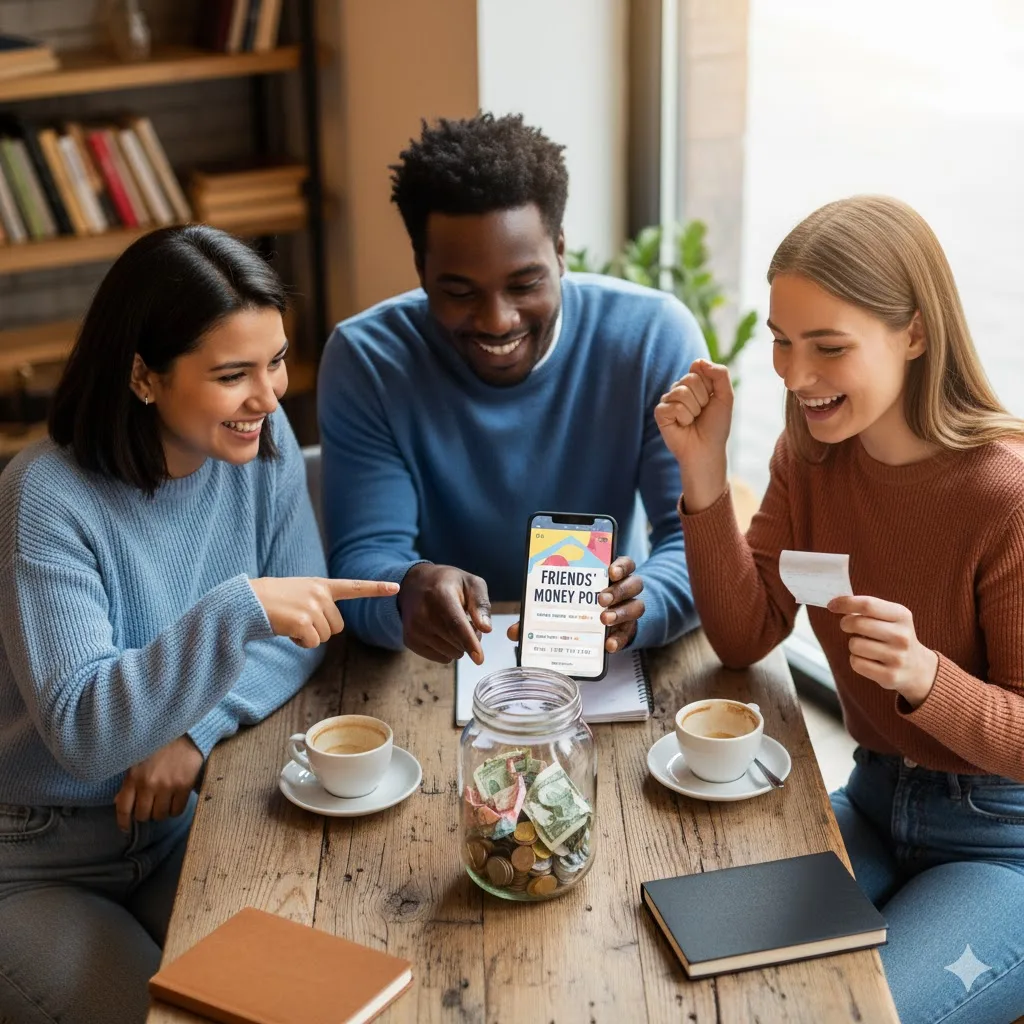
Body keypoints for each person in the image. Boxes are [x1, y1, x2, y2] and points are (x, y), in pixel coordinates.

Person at [0, 225, 396, 1024]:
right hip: (35, 858)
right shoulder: (44, 496)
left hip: (183, 826)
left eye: (276, 359)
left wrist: (194, 730)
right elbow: (85, 733)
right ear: (144, 374)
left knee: (321, 983)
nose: (269, 395)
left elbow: (304, 631)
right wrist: (238, 609)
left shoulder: (261, 439)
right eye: (232, 374)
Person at [655, 195, 1024, 1024]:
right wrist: (704, 476)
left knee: (839, 1014)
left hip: (1006, 843)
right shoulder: (810, 458)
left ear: (915, 334)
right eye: (783, 342)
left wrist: (931, 678)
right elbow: (747, 634)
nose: (795, 375)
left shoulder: (1008, 498)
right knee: (703, 962)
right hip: (871, 795)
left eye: (829, 347)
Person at [318, 113, 707, 665]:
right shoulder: (367, 360)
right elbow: (362, 559)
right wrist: (406, 591)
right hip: (442, 666)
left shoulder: (650, 337)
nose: (498, 321)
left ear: (562, 251)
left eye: (525, 284)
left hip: (606, 653)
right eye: (458, 291)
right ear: (421, 268)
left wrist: (631, 610)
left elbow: (695, 547)